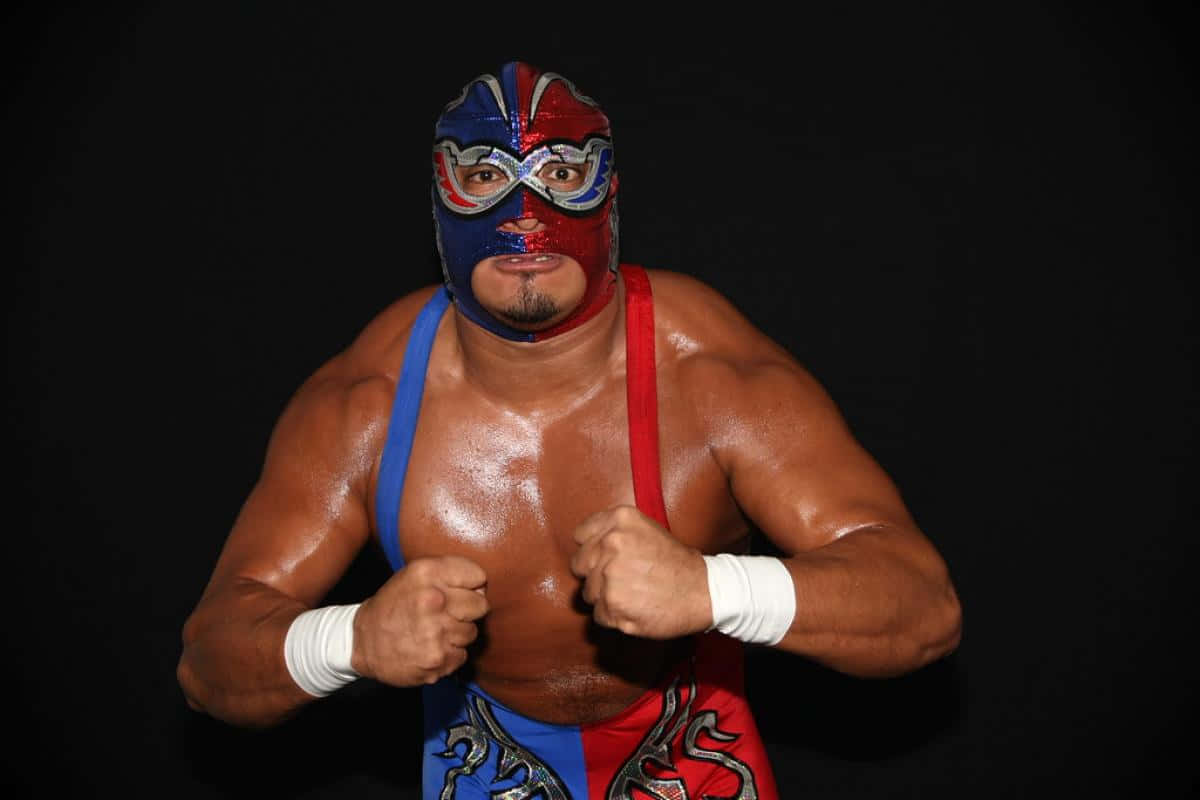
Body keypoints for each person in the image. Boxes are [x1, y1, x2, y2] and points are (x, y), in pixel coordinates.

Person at [178, 60, 962, 799]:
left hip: (688, 741)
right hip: (484, 751)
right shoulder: (367, 404)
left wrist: (713, 588)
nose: (525, 215)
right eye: (486, 177)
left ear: (608, 197)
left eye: (560, 174)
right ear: (442, 205)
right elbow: (208, 665)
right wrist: (349, 641)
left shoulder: (709, 374)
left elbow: (923, 608)